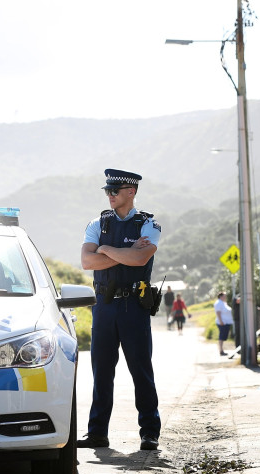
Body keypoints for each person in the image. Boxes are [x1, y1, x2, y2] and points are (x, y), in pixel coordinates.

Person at [78, 168, 162, 451]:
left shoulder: (148, 224)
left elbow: (140, 259)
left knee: (141, 371)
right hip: (103, 306)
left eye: (115, 191)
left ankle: (149, 431)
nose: (110, 196)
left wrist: (104, 250)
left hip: (133, 306)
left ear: (131, 192)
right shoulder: (97, 224)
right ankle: (97, 433)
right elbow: (87, 263)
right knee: (101, 371)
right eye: (107, 191)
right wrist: (119, 253)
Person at [214, 292, 234, 356]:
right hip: (222, 322)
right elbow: (218, 313)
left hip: (226, 322)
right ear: (221, 296)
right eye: (224, 296)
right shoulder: (218, 303)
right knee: (221, 336)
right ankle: (221, 350)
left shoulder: (223, 303)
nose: (225, 297)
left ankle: (222, 350)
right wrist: (221, 321)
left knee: (223, 336)